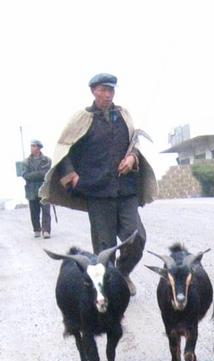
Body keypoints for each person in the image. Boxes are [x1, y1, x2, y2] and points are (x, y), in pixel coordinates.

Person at [39, 73, 158, 295]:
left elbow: (134, 144)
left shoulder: (123, 116)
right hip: (97, 191)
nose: (107, 94)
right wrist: (72, 177)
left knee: (137, 237)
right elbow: (64, 150)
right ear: (93, 90)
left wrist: (132, 158)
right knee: (105, 247)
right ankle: (110, 286)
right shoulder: (82, 118)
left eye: (111, 90)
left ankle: (122, 273)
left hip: (125, 190)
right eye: (103, 90)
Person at [22, 139, 52, 238]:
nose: (32, 148)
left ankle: (46, 230)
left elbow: (46, 174)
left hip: (44, 188)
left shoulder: (47, 160)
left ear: (39, 147)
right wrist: (38, 174)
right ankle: (37, 229)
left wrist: (34, 174)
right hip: (31, 190)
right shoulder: (26, 162)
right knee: (34, 211)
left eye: (34, 146)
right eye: (31, 146)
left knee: (46, 210)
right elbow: (25, 175)